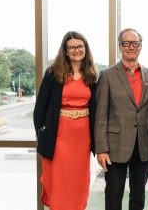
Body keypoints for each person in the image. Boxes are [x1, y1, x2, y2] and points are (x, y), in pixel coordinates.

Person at [94, 28, 148, 210]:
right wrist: (101, 149)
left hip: (143, 145)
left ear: (140, 46)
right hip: (115, 147)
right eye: (126, 43)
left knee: (138, 197)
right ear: (120, 46)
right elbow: (100, 115)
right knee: (113, 197)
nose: (131, 47)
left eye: (135, 43)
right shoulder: (107, 75)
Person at [33, 31, 97, 210]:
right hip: (59, 136)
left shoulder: (91, 74)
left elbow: (95, 108)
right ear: (65, 51)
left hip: (82, 138)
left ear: (85, 49)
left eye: (80, 46)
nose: (76, 50)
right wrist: (42, 134)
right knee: (60, 182)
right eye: (72, 47)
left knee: (78, 182)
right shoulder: (53, 73)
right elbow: (40, 108)